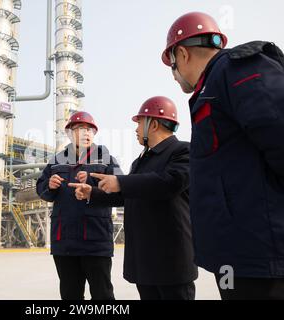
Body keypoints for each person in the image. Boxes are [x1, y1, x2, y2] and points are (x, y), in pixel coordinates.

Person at [162, 12, 284, 300]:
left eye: (172, 67)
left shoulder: (238, 69)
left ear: (182, 53)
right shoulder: (211, 89)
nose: (174, 77)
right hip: (238, 258)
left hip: (268, 261)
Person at [70, 97, 198, 300]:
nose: (136, 129)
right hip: (144, 259)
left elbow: (169, 182)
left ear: (153, 124)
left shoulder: (183, 151)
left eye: (139, 123)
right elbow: (128, 194)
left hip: (170, 258)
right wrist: (92, 193)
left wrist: (121, 182)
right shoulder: (140, 161)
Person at [36, 111, 122, 300]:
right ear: (69, 133)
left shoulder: (106, 159)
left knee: (103, 295)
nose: (86, 133)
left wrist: (92, 182)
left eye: (90, 129)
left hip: (95, 240)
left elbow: (120, 190)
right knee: (70, 294)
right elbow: (41, 189)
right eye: (81, 128)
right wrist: (50, 186)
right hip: (64, 241)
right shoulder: (57, 160)